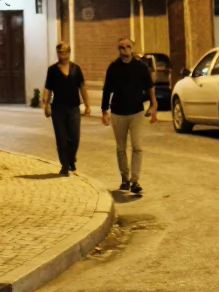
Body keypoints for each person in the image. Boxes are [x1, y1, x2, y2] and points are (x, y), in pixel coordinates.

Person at [101, 36, 157, 195]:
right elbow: (107, 90)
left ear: (132, 48)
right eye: (121, 47)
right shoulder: (113, 67)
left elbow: (150, 87)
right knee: (121, 148)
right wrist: (104, 111)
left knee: (137, 147)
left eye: (127, 47)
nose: (124, 49)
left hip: (137, 112)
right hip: (118, 113)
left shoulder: (140, 67)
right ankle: (124, 178)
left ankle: (135, 181)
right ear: (118, 49)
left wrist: (154, 106)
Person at [43, 42, 91, 175]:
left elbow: (82, 88)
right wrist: (46, 105)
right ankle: (64, 165)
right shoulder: (52, 70)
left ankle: (71, 159)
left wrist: (87, 105)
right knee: (61, 138)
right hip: (58, 108)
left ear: (69, 53)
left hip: (74, 108)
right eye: (60, 52)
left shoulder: (76, 69)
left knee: (74, 137)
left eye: (65, 52)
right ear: (57, 53)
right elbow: (48, 88)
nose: (62, 55)